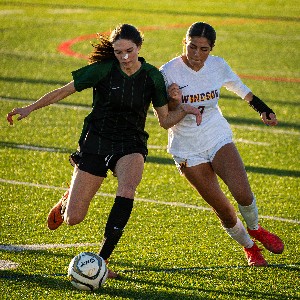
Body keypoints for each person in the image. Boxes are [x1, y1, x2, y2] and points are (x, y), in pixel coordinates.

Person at [6, 23, 201, 278]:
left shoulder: (153, 76)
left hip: (130, 143)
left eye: (129, 51)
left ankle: (103, 260)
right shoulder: (103, 70)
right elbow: (64, 91)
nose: (125, 57)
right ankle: (67, 200)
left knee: (128, 187)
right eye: (119, 52)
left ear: (139, 47)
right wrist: (30, 108)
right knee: (74, 218)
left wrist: (183, 108)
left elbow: (164, 120)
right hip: (96, 141)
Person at [159, 22, 284, 267]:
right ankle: (250, 248)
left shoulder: (218, 65)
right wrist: (174, 102)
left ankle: (256, 228)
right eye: (191, 47)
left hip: (216, 134)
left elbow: (241, 89)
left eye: (203, 49)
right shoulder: (168, 72)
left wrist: (263, 109)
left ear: (211, 49)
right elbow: (164, 118)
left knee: (243, 194)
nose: (196, 54)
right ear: (184, 43)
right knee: (224, 210)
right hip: (187, 149)